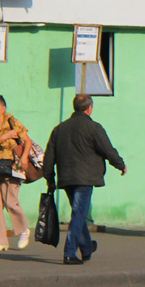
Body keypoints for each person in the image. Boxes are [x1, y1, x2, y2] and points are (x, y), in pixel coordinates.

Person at [43, 94, 126, 265]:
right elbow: (107, 150)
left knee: (78, 213)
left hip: (66, 178)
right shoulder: (93, 127)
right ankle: (69, 252)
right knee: (79, 214)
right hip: (85, 178)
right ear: (89, 108)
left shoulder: (59, 129)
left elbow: (49, 156)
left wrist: (49, 178)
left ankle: (87, 248)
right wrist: (120, 165)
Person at [0, 95, 33, 252]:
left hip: (12, 167)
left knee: (11, 201)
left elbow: (27, 141)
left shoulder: (12, 122)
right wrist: (4, 137)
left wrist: (24, 158)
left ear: (3, 109)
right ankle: (2, 241)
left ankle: (23, 229)